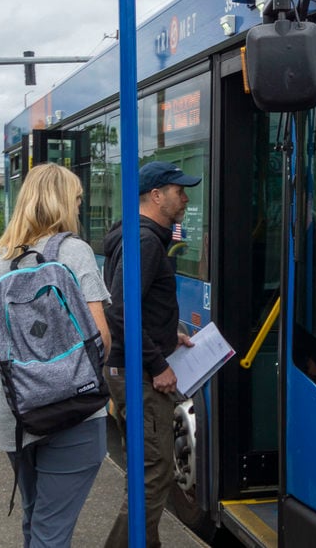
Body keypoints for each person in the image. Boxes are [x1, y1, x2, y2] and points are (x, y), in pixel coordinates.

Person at [0, 163, 111, 548]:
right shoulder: (74, 253)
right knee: (52, 532)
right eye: (77, 200)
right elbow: (101, 339)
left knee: (35, 521)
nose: (79, 207)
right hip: (75, 414)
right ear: (64, 203)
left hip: (19, 416)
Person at [101, 161, 199, 548]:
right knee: (156, 469)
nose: (186, 198)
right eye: (180, 191)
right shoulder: (144, 241)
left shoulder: (140, 236)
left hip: (131, 364)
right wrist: (157, 364)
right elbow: (122, 310)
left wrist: (165, 335)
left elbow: (134, 306)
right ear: (157, 195)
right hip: (136, 372)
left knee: (147, 467)